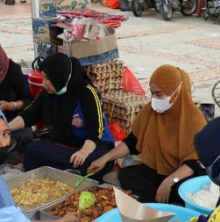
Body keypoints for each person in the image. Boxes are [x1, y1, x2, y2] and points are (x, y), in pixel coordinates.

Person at [86, 65, 206, 203]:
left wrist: (170, 180)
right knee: (127, 175)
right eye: (152, 93)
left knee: (187, 190)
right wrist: (105, 159)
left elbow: (195, 162)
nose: (154, 98)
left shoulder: (194, 119)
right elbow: (132, 142)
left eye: (159, 94)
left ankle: (161, 199)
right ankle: (157, 201)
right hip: (158, 170)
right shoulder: (151, 110)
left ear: (176, 92)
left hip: (182, 174)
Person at [9, 53, 114, 177]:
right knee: (31, 150)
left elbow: (97, 128)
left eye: (47, 78)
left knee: (88, 163)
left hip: (93, 145)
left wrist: (84, 152)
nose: (44, 83)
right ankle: (65, 171)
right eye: (43, 78)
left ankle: (64, 170)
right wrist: (5, 128)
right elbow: (28, 115)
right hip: (67, 146)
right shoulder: (47, 93)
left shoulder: (88, 92)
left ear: (59, 77)